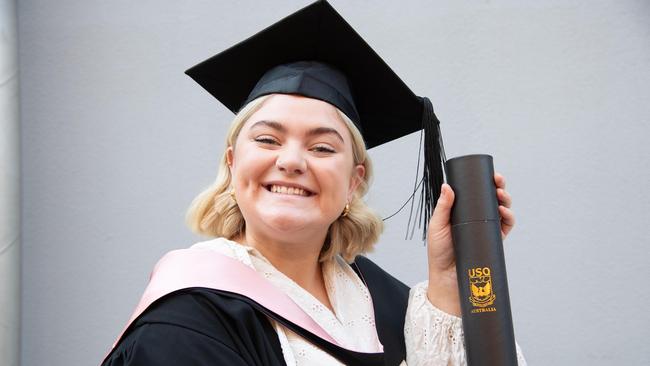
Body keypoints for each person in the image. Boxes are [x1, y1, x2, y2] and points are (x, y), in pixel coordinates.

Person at [102, 1, 526, 365]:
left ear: (354, 183)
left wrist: (450, 282)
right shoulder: (185, 323)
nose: (290, 161)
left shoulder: (380, 300)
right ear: (233, 165)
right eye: (267, 139)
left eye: (322, 148)